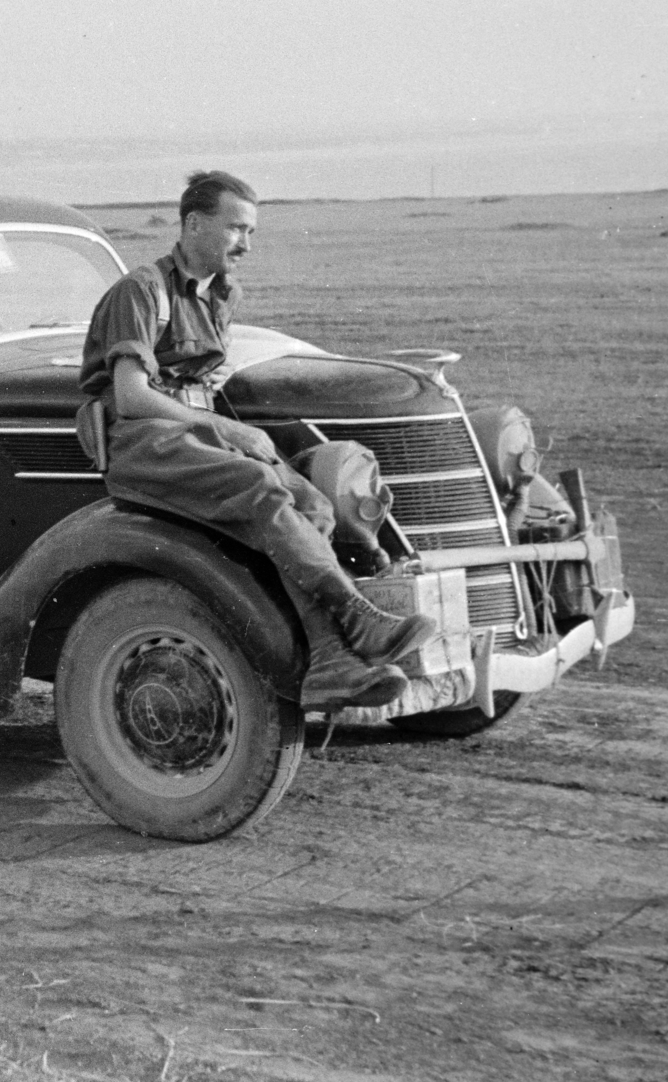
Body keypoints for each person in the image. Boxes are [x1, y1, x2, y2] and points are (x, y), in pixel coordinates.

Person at [76, 170, 434, 710]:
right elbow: (130, 397)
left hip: (190, 435)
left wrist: (212, 401)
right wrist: (224, 426)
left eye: (252, 232)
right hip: (144, 443)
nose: (245, 244)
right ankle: (353, 612)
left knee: (313, 505)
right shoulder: (141, 290)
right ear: (194, 224)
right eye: (236, 228)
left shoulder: (221, 294)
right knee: (258, 486)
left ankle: (331, 662)